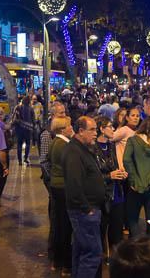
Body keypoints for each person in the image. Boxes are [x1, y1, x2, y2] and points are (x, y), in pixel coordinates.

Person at [62, 116, 106, 278]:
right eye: (92, 129)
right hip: (84, 212)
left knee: (81, 251)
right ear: (81, 131)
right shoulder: (74, 152)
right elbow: (74, 185)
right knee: (92, 253)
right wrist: (87, 209)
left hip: (88, 209)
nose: (96, 133)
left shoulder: (82, 148)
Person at [94, 116, 128, 251]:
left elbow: (113, 165)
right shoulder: (93, 148)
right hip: (103, 195)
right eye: (109, 126)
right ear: (102, 129)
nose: (113, 128)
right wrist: (110, 176)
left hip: (117, 193)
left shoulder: (111, 145)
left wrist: (120, 172)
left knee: (117, 229)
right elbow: (93, 175)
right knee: (101, 229)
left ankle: (116, 257)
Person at [48, 115, 74, 275]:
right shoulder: (63, 145)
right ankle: (65, 263)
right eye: (70, 126)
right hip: (63, 187)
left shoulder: (56, 143)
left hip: (56, 186)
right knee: (65, 226)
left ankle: (57, 261)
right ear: (63, 129)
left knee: (58, 224)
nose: (72, 129)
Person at [13, 95, 35, 165]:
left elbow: (14, 117)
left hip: (19, 128)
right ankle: (25, 158)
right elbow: (33, 119)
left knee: (19, 144)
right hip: (28, 129)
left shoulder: (18, 107)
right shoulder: (31, 109)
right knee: (28, 144)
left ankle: (19, 160)